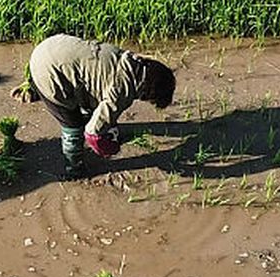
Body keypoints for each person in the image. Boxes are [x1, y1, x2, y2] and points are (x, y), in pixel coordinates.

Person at [27, 34, 175, 175]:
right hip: (48, 71)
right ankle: (74, 168)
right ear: (148, 93)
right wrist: (109, 148)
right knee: (73, 126)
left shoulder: (130, 60)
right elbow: (92, 134)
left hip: (51, 46)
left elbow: (95, 84)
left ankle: (33, 90)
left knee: (87, 92)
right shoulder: (122, 92)